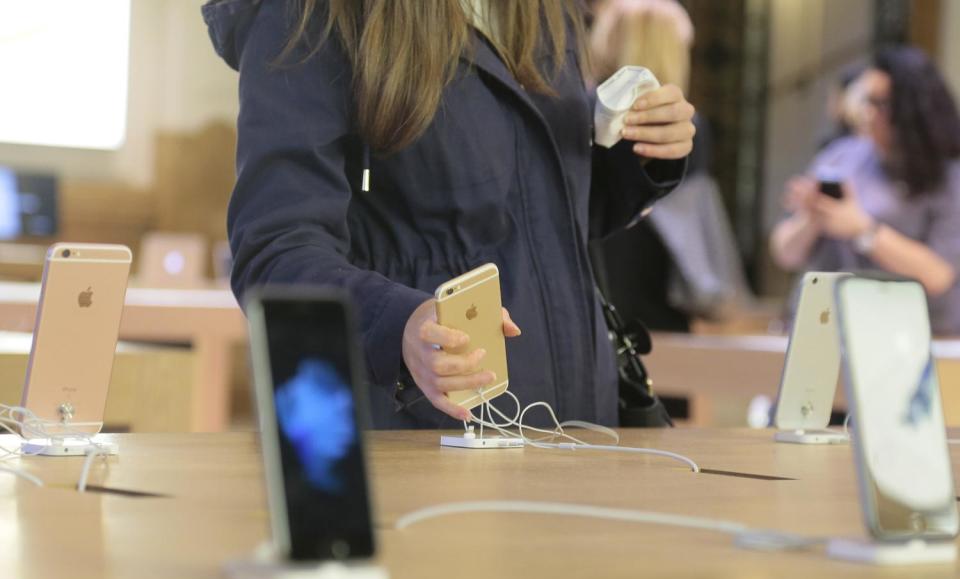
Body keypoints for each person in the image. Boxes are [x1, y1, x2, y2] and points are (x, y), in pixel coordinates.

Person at [203, 1, 696, 428]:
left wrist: (641, 158)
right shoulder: (310, 15)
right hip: (422, 434)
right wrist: (399, 326)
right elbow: (275, 251)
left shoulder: (548, 12)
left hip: (580, 426)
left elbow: (544, 224)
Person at [770, 46, 960, 334]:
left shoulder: (948, 178)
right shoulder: (841, 156)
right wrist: (813, 217)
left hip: (911, 336)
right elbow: (785, 252)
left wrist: (863, 231)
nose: (865, 113)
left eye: (878, 103)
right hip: (827, 327)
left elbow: (939, 275)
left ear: (910, 109)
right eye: (864, 100)